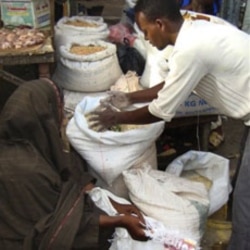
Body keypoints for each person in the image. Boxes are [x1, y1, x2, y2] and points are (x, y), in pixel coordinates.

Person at [89, 0, 250, 249]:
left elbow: (160, 111)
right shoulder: (191, 29)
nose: (145, 38)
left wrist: (117, 118)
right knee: (243, 188)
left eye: (145, 31)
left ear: (160, 24)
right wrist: (130, 97)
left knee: (245, 202)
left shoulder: (191, 48)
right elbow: (171, 85)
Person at [0, 78, 149, 250]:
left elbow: (72, 175)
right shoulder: (23, 168)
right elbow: (57, 224)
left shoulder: (39, 144)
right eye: (59, 112)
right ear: (45, 115)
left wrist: (114, 204)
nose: (63, 118)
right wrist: (120, 221)